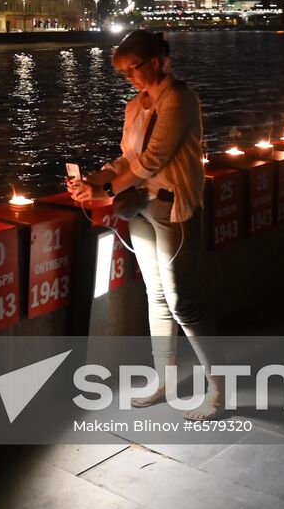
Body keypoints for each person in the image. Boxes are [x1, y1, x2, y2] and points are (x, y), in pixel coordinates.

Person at [66, 29, 222, 420]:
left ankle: (220, 388)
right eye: (124, 72)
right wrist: (95, 181)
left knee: (184, 302)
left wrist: (103, 187)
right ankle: (164, 379)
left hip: (173, 208)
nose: (130, 77)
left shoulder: (180, 99)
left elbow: (152, 160)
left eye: (134, 68)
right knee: (156, 296)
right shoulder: (135, 106)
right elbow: (127, 159)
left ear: (156, 60)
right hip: (141, 206)